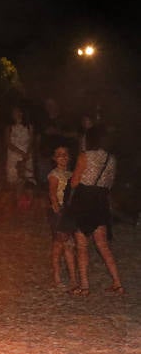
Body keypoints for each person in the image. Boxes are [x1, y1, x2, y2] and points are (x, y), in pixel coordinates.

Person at [68, 126, 123, 296]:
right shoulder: (111, 159)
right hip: (100, 202)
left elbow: (75, 182)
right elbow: (109, 184)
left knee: (82, 246)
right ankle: (117, 283)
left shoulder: (85, 156)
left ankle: (84, 287)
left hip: (84, 201)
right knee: (103, 245)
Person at [47, 146, 77, 291]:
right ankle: (60, 277)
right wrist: (57, 210)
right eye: (59, 155)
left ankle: (70, 278)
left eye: (65, 154)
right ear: (54, 158)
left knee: (65, 245)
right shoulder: (54, 174)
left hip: (68, 212)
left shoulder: (71, 173)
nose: (63, 157)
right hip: (58, 211)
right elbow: (52, 194)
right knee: (61, 244)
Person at [5, 105, 35, 213]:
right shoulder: (9, 127)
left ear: (22, 113)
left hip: (27, 155)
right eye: (13, 112)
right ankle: (18, 204)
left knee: (28, 179)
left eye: (17, 112)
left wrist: (27, 154)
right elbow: (8, 143)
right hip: (14, 155)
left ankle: (29, 204)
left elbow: (31, 141)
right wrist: (21, 153)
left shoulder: (29, 126)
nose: (15, 114)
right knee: (15, 181)